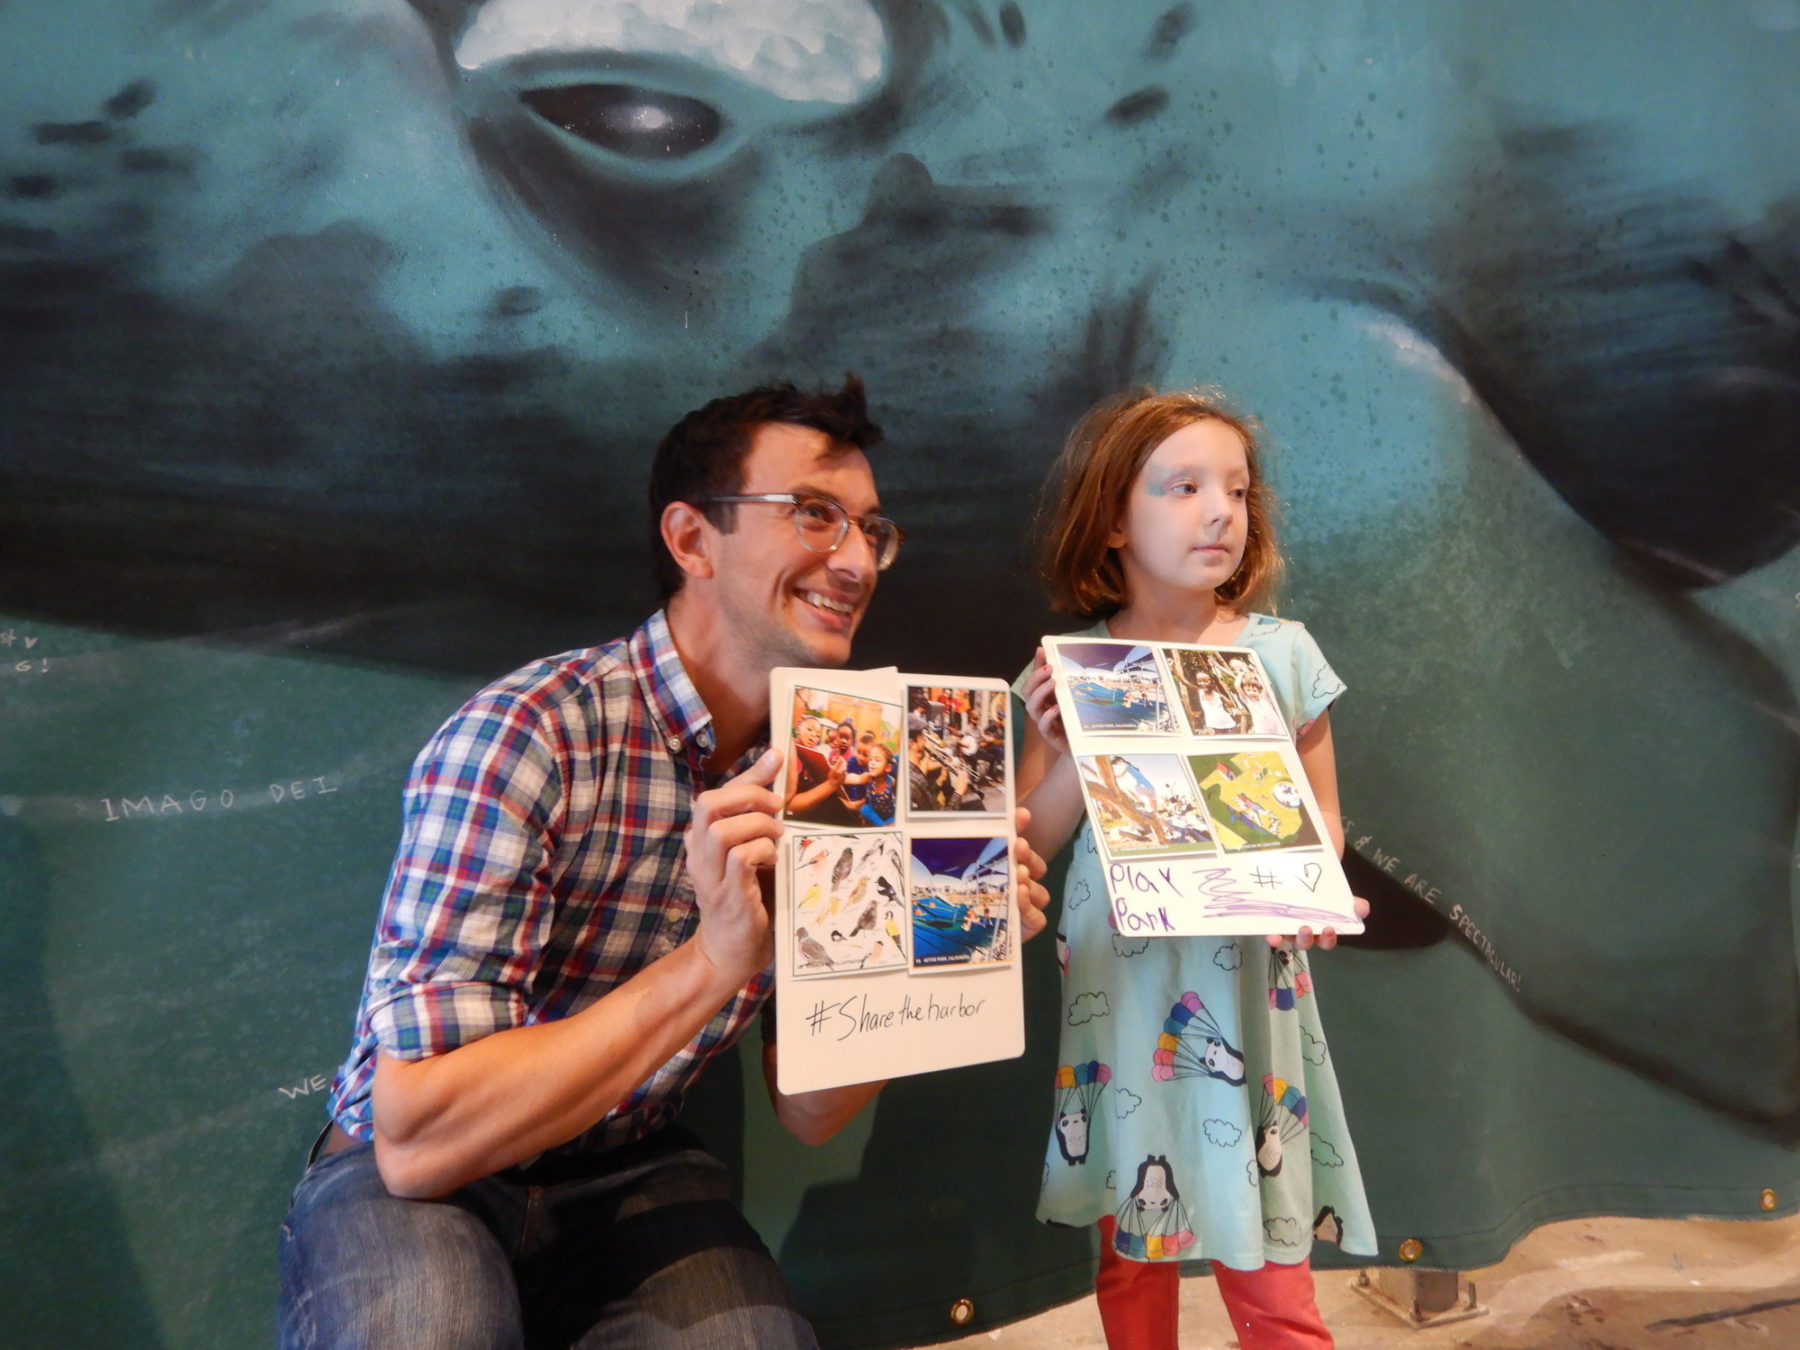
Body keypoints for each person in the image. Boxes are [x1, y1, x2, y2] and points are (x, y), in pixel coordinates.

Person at [277, 375, 1051, 1350]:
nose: (855, 559)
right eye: (815, 515)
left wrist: (939, 958)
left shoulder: (857, 760)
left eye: (870, 529)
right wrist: (714, 961)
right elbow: (418, 1140)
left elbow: (808, 1110)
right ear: (691, 540)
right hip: (416, 1174)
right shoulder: (531, 731)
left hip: (632, 1160)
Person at [1015, 388, 1374, 1350]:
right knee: (1130, 1253)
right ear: (1111, 521)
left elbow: (1321, 813)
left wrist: (1316, 886)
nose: (1220, 510)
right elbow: (1029, 841)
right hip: (1120, 995)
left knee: (1272, 1255)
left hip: (1252, 991)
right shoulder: (1076, 664)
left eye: (1237, 490)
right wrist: (1064, 745)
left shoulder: (1282, 654)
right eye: (1182, 487)